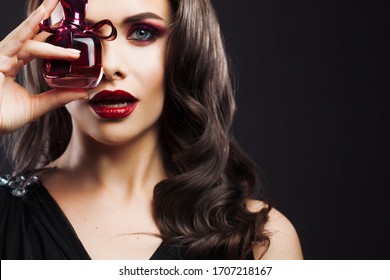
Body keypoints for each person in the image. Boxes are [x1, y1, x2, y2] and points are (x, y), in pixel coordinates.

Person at [0, 0, 303, 260]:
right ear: (42, 51)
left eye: (143, 33)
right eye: (79, 37)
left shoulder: (260, 241)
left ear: (185, 51)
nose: (110, 65)